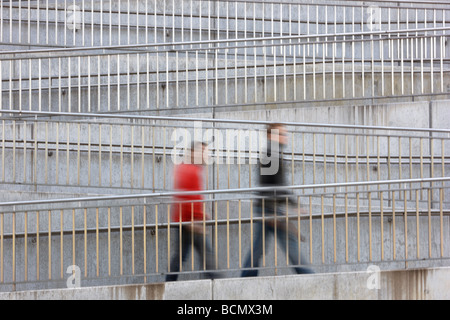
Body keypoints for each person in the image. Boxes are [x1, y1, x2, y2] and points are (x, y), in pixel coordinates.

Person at [241, 123, 314, 277]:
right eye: (281, 134)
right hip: (270, 209)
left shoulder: (272, 153)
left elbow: (274, 184)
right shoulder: (271, 154)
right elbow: (276, 185)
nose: (285, 137)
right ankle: (310, 277)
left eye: (285, 134)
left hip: (269, 208)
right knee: (290, 247)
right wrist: (293, 205)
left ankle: (244, 278)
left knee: (258, 249)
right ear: (270, 136)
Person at [165, 141, 218, 281]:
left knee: (181, 257)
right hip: (190, 222)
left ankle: (168, 284)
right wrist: (194, 221)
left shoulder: (186, 168)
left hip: (187, 221)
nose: (205, 156)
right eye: (203, 152)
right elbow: (187, 198)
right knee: (207, 256)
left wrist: (201, 215)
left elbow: (190, 197)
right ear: (193, 153)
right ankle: (218, 286)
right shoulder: (190, 170)